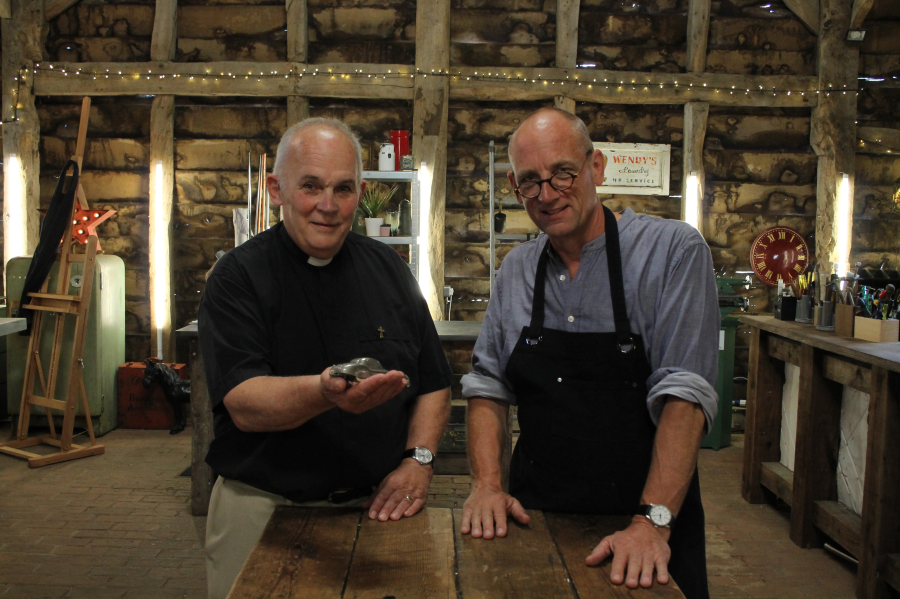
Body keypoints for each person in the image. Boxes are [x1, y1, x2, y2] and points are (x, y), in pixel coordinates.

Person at [459, 107, 718, 599]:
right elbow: (489, 386)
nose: (547, 194)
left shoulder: (672, 252)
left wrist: (652, 522)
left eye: (563, 173)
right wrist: (488, 485)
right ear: (515, 188)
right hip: (535, 517)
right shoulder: (516, 270)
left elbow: (685, 395)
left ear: (596, 167)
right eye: (530, 181)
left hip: (646, 526)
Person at [198, 118, 452, 599]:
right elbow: (244, 403)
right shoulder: (237, 278)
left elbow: (434, 382)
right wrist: (323, 392)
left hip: (378, 510)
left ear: (361, 193)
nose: (328, 206)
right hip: (261, 507)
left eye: (343, 189)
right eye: (310, 186)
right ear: (276, 189)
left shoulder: (390, 270)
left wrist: (418, 460)